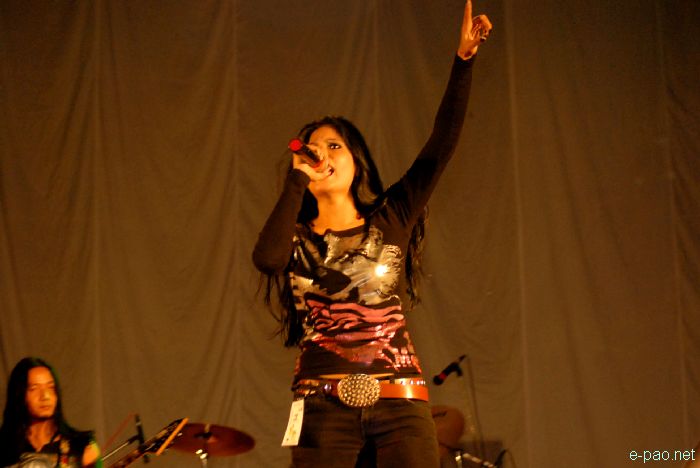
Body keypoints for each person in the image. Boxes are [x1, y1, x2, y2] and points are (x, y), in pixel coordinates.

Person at [253, 1, 492, 466]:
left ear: (356, 161)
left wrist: (463, 63)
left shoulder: (390, 218)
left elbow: (440, 146)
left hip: (399, 401)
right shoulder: (296, 237)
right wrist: (296, 179)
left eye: (334, 146)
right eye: (314, 148)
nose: (323, 154)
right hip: (321, 408)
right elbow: (267, 259)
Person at [0, 357, 102, 468]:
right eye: (34, 388)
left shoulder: (84, 449)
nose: (45, 396)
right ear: (19, 395)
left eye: (50, 387)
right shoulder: (4, 447)